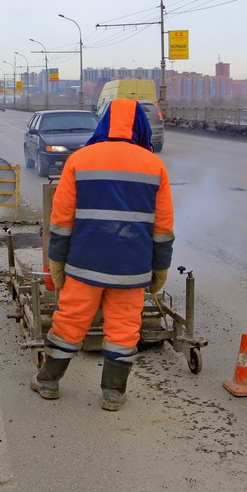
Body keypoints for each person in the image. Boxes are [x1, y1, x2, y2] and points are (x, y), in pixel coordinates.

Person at [31, 98, 175, 411]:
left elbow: (62, 219)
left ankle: (48, 382)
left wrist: (57, 259)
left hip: (86, 264)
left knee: (69, 323)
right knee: (124, 329)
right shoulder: (154, 165)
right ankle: (113, 393)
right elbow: (162, 227)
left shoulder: (80, 160)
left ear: (104, 122)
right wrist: (160, 267)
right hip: (132, 268)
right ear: (141, 126)